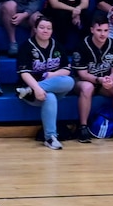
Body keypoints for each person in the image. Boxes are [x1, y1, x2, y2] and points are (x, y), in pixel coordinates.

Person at [14, 11, 71, 145]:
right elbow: (24, 72)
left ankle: (29, 89)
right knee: (49, 97)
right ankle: (50, 138)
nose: (45, 31)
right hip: (34, 92)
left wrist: (52, 75)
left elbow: (66, 69)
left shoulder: (57, 46)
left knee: (69, 81)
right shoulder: (26, 47)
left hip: (47, 87)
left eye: (48, 28)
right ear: (35, 29)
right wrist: (36, 88)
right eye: (42, 27)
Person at [70, 9, 113, 135]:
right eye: (99, 30)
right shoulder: (82, 46)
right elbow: (82, 74)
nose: (102, 34)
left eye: (106, 31)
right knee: (88, 87)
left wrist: (110, 79)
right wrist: (99, 79)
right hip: (83, 81)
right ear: (92, 30)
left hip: (104, 82)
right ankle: (83, 127)